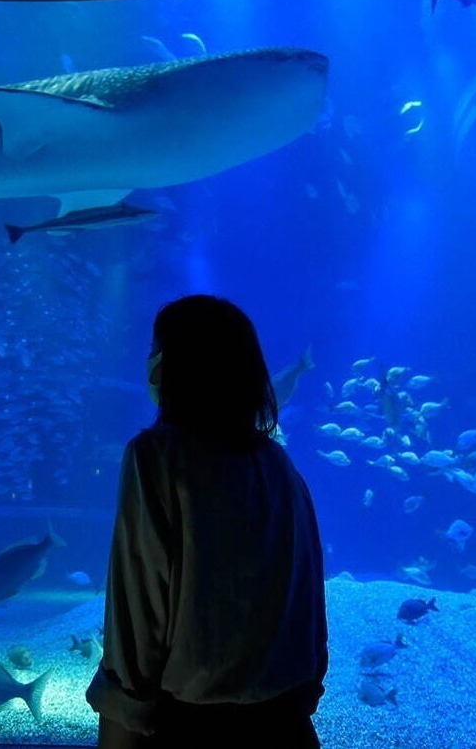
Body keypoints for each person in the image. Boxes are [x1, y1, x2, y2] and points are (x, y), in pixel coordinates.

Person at [86, 294, 328, 747]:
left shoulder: (155, 457)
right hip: (287, 723)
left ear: (175, 366)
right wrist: (305, 690)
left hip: (187, 725)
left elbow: (138, 603)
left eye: (156, 350)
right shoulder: (279, 464)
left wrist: (124, 711)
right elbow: (310, 592)